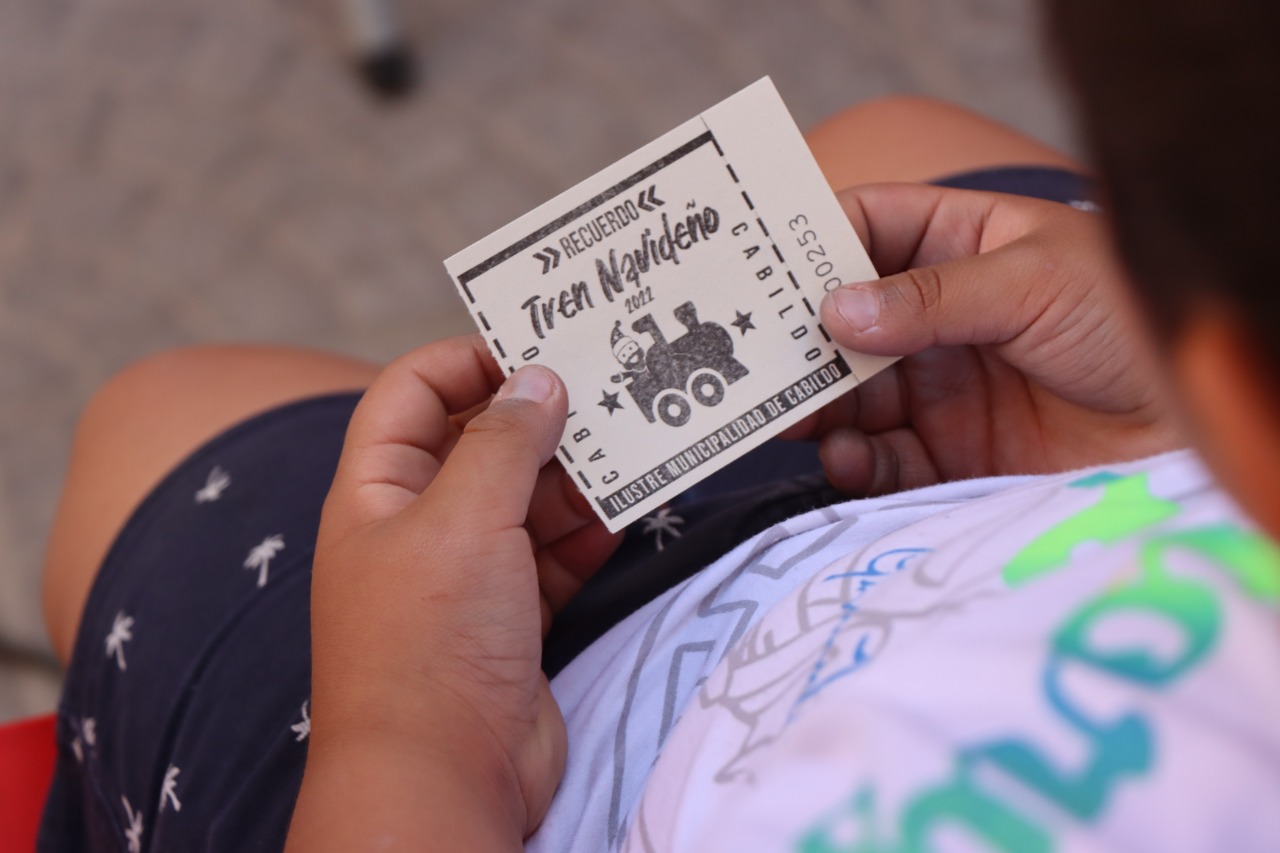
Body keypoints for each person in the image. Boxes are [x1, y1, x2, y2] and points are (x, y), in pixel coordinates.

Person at [36, 0, 1280, 849]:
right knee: (894, 145)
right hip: (1073, 476)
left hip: (498, 760)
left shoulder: (426, 739)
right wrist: (1174, 439)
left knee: (158, 418)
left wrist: (404, 737)